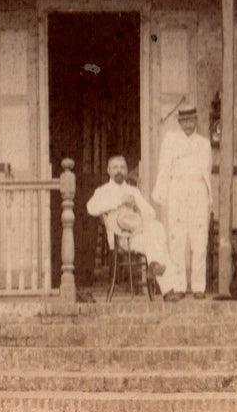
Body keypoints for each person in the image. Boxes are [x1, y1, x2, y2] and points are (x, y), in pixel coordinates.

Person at [86, 155, 184, 299]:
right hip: (121, 239)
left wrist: (137, 209)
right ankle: (168, 287)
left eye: (122, 167)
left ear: (126, 170)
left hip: (140, 234)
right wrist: (118, 202)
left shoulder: (133, 191)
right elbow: (91, 208)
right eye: (115, 167)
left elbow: (151, 212)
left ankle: (156, 268)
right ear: (108, 170)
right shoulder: (103, 191)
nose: (119, 171)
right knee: (156, 242)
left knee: (157, 229)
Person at [152, 103, 212, 299]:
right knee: (177, 238)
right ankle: (179, 286)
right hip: (177, 190)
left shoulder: (204, 143)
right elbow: (164, 167)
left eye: (191, 120)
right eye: (184, 121)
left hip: (197, 191)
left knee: (199, 239)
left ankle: (198, 287)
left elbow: (207, 172)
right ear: (179, 122)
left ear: (196, 121)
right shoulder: (170, 141)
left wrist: (207, 196)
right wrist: (161, 195)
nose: (188, 124)